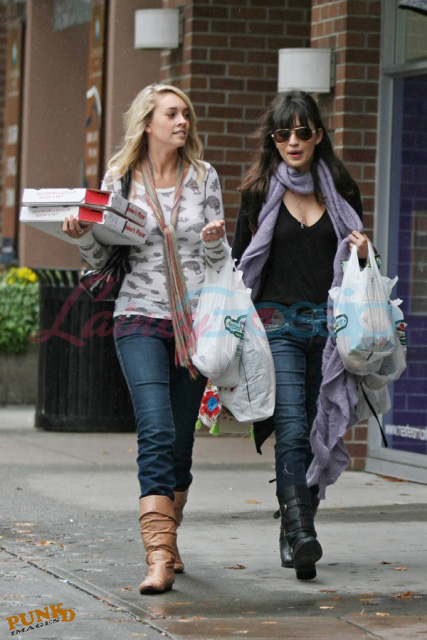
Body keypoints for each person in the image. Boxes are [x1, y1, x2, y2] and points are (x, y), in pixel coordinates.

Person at [63, 83, 227, 594]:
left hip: (194, 323)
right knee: (155, 430)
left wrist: (216, 242)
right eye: (172, 114)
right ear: (148, 122)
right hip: (138, 316)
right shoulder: (120, 179)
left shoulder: (204, 176)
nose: (183, 122)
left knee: (180, 440)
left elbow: (220, 258)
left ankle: (169, 539)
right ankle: (157, 556)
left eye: (186, 114)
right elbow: (102, 257)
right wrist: (83, 236)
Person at [232, 91, 369, 582]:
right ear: (273, 139)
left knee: (317, 430)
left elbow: (359, 272)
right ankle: (301, 530)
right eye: (283, 133)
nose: (293, 141)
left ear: (318, 135)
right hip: (277, 328)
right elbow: (241, 267)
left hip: (330, 331)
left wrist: (364, 254)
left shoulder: (342, 190)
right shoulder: (257, 193)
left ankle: (294, 534)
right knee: (291, 428)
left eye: (302, 132)